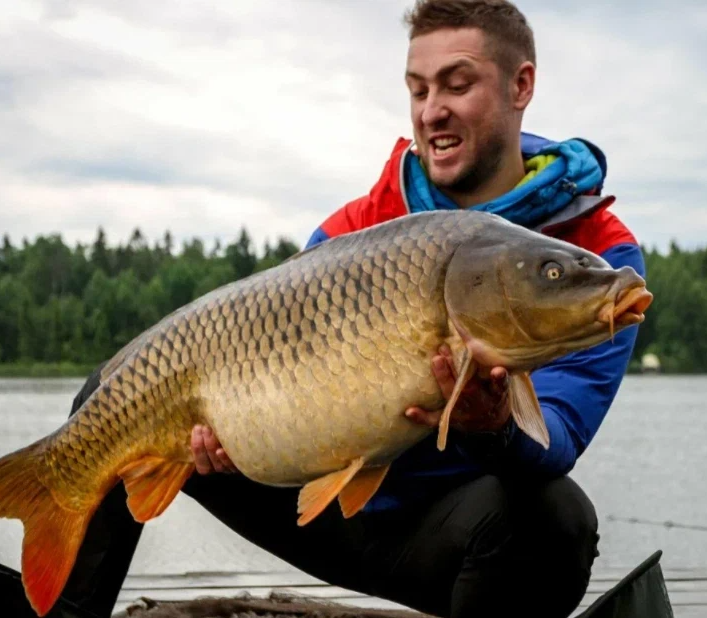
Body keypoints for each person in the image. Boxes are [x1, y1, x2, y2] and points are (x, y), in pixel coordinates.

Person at [60, 1, 645, 617]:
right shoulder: (358, 230)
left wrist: (493, 426)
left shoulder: (599, 257)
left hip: (446, 531)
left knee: (557, 518)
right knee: (111, 398)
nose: (432, 111)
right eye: (418, 90)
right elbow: (263, 363)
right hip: (314, 499)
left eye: (458, 83)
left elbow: (559, 433)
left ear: (520, 84)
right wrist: (231, 436)